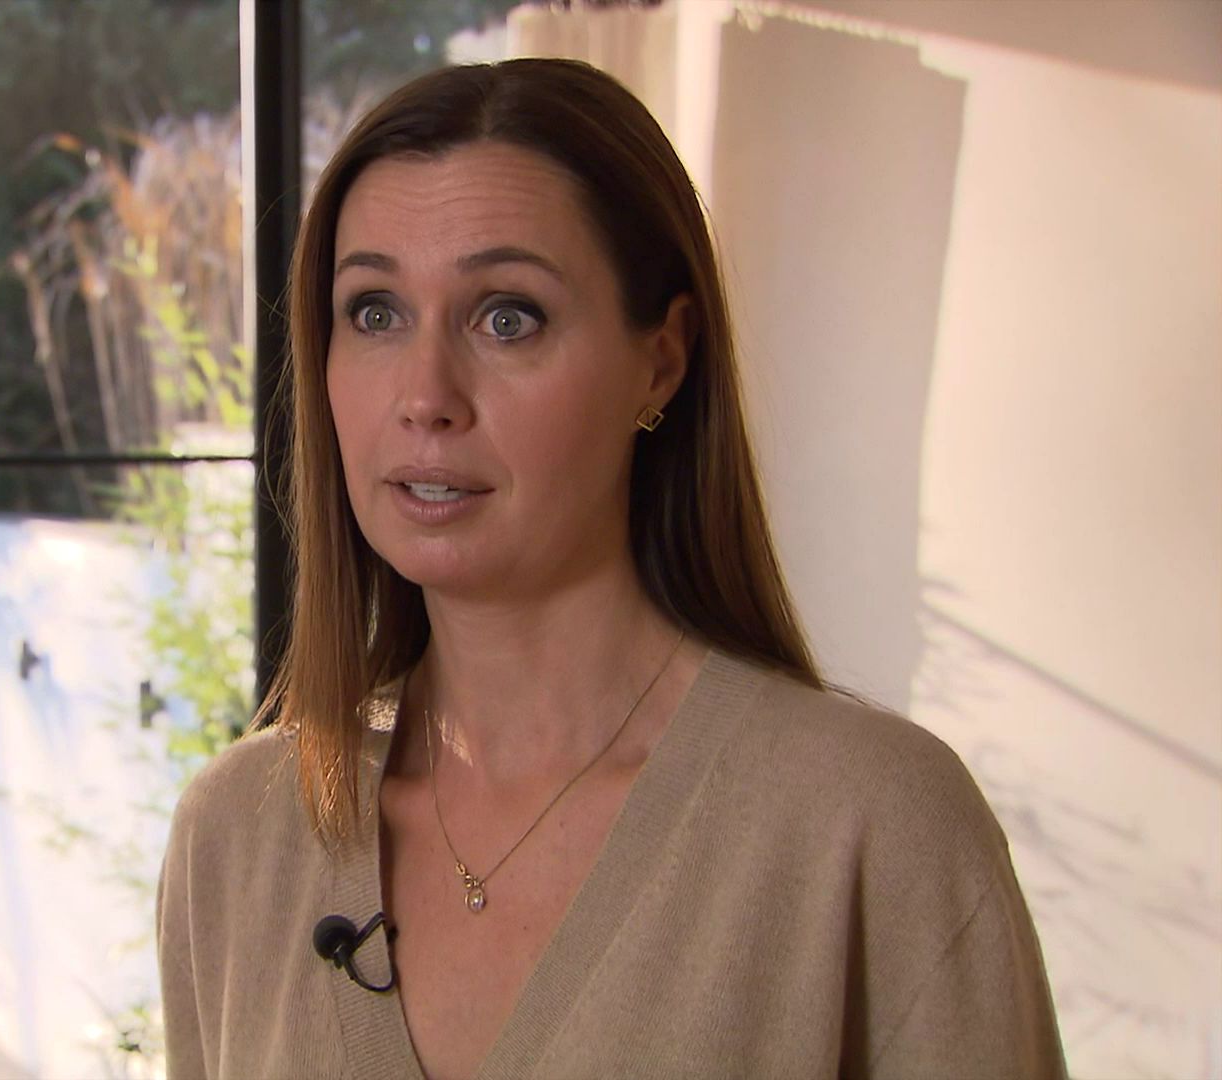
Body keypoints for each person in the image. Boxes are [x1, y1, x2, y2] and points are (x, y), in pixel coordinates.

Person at [156, 57, 1065, 1080]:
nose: (425, 397)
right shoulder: (236, 836)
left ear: (661, 361)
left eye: (507, 316)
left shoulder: (870, 827)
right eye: (374, 312)